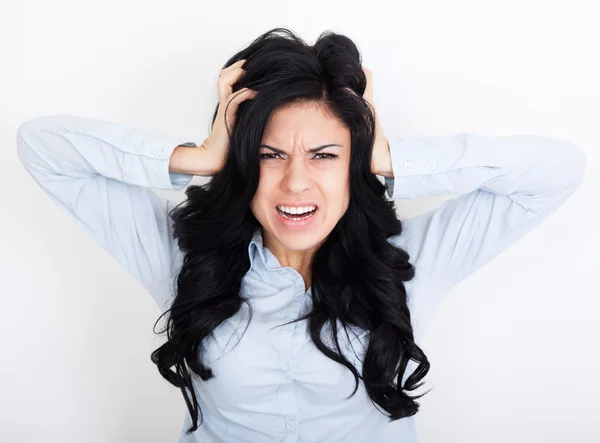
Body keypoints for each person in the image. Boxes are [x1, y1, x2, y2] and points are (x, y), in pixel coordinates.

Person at [16, 27, 586, 443]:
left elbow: (555, 170)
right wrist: (200, 156)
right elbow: (43, 147)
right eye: (269, 155)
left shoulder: (410, 260)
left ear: (353, 165)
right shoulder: (183, 254)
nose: (295, 182)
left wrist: (386, 157)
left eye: (324, 155)